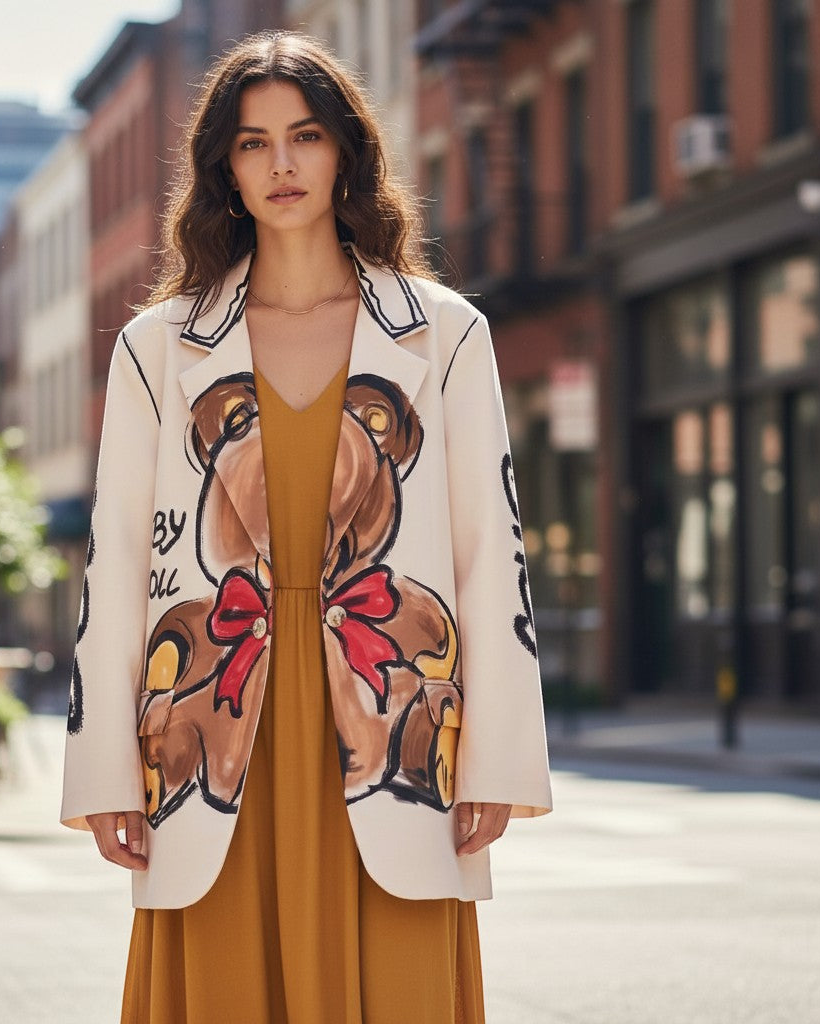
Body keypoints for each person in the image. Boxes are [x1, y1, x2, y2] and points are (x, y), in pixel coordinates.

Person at [61, 30, 552, 1024]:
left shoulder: (446, 332)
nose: (281, 165)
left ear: (347, 153)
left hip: (394, 721)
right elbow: (114, 566)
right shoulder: (158, 350)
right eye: (251, 143)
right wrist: (106, 768)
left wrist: (496, 756)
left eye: (305, 135)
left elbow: (488, 553)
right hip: (211, 721)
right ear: (222, 170)